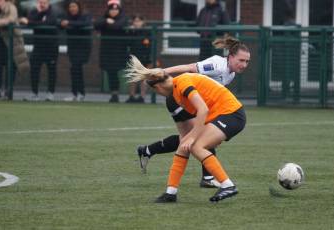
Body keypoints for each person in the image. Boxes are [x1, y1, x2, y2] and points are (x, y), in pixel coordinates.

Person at [126, 55, 246, 203]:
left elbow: (203, 110)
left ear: (157, 87)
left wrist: (193, 136)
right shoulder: (174, 96)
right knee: (185, 146)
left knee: (195, 146)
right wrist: (187, 139)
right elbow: (185, 137)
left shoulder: (182, 82)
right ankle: (171, 193)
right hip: (222, 115)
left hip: (232, 114)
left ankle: (228, 185)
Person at [0, 0, 30, 100]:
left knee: (11, 66)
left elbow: (10, 20)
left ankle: (8, 91)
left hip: (11, 43)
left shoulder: (11, 7)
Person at [19, 0, 58, 101]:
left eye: (44, 2)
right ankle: (34, 93)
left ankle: (50, 94)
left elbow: (49, 23)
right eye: (40, 2)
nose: (42, 4)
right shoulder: (34, 12)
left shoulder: (53, 12)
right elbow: (29, 23)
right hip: (38, 47)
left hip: (51, 47)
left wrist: (33, 21)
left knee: (51, 71)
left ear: (48, 3)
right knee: (34, 70)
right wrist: (38, 16)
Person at [94, 0, 128, 103]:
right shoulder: (104, 18)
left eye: (115, 9)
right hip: (107, 50)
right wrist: (106, 21)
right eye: (111, 10)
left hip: (119, 50)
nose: (113, 11)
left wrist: (111, 24)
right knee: (110, 72)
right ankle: (114, 94)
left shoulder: (123, 18)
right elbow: (96, 24)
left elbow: (118, 26)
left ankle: (130, 95)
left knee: (117, 70)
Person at [60, 0, 92, 102]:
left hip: (83, 47)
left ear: (78, 7)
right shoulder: (66, 16)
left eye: (74, 6)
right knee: (74, 69)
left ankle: (80, 93)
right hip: (72, 47)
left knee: (77, 68)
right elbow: (58, 23)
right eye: (70, 7)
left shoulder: (85, 15)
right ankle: (75, 94)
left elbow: (85, 23)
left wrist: (70, 23)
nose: (72, 9)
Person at [125, 14, 149, 103]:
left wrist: (148, 58)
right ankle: (131, 96)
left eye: (139, 21)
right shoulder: (130, 32)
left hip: (144, 58)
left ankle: (142, 97)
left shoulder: (147, 32)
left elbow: (149, 46)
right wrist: (131, 31)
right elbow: (127, 43)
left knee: (143, 78)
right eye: (135, 21)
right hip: (133, 58)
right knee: (132, 78)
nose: (137, 23)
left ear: (143, 22)